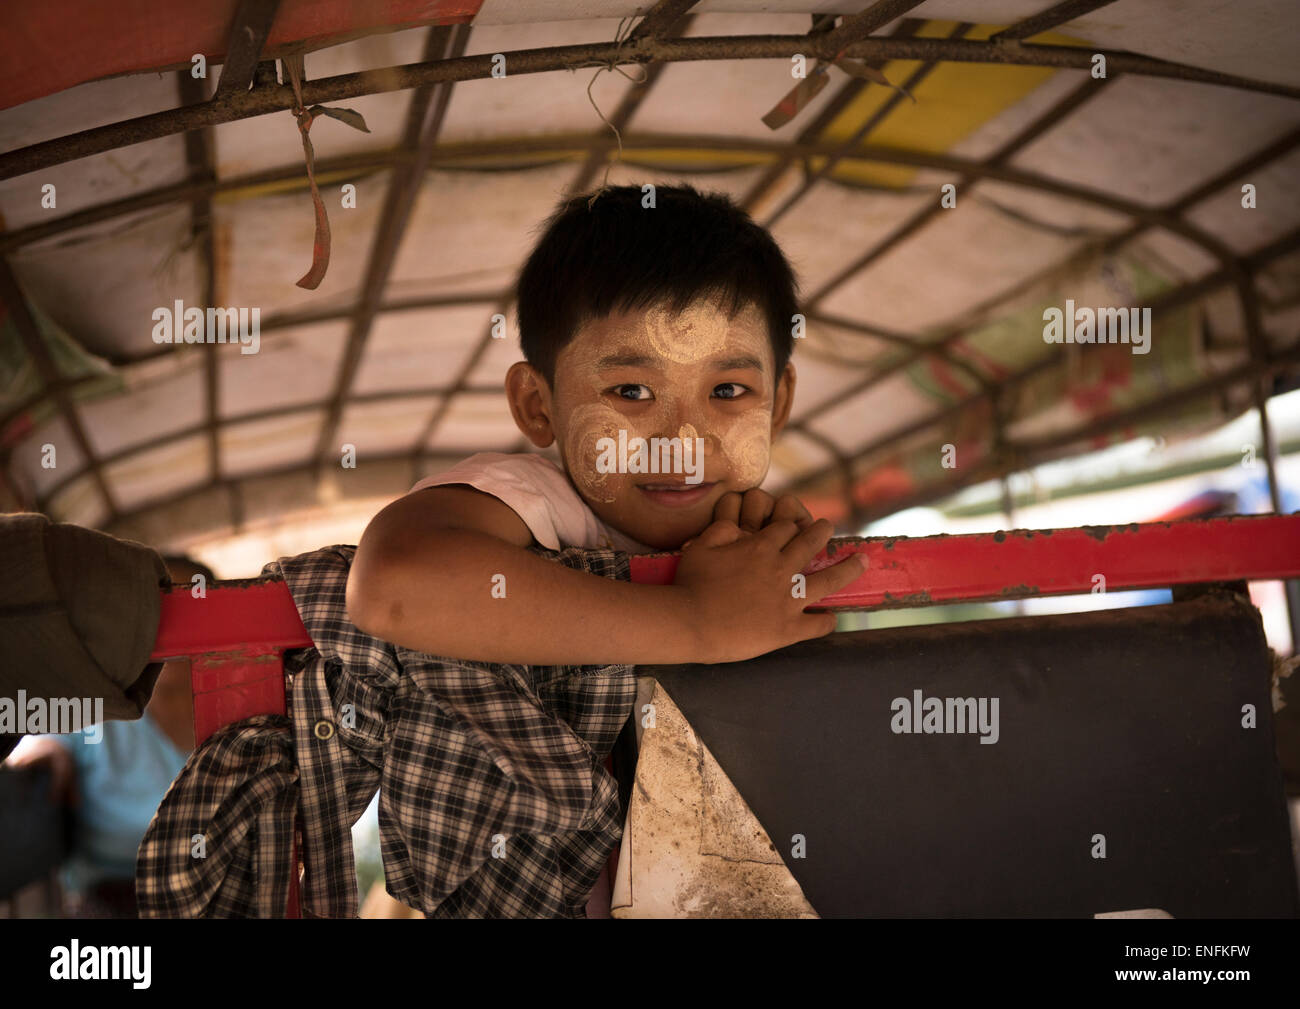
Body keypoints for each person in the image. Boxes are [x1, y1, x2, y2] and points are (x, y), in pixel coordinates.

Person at [137, 184, 863, 919]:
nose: (682, 440)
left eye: (729, 389)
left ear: (779, 400)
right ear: (537, 407)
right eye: (632, 391)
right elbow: (391, 585)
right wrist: (697, 621)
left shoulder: (767, 544)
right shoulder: (535, 502)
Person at [5, 556, 212, 917]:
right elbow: (45, 742)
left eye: (193, 608)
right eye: (160, 612)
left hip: (215, 888)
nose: (175, 627)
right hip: (114, 895)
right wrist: (45, 754)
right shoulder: (99, 711)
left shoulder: (244, 715)